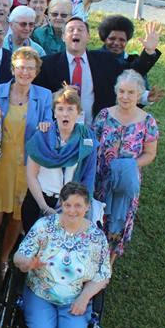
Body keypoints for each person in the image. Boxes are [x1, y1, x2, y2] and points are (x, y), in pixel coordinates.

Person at [13, 182, 111, 328]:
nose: (72, 210)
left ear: (87, 207)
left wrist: (85, 297)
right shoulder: (45, 226)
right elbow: (20, 256)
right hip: (41, 292)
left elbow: (103, 274)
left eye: (78, 205)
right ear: (61, 205)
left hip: (75, 297)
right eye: (67, 205)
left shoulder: (96, 238)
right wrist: (27, 263)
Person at [0, 48, 52, 280]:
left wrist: (46, 126)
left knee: (17, 217)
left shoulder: (44, 95)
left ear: (36, 71)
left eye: (30, 68)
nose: (25, 72)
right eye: (20, 67)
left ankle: (4, 258)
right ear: (13, 69)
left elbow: (49, 120)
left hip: (28, 165)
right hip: (2, 163)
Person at [36, 17, 159, 124]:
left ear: (88, 37)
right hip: (60, 128)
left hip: (97, 127)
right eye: (71, 30)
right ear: (63, 37)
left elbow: (131, 72)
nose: (76, 32)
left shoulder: (104, 59)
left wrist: (148, 52)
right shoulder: (47, 64)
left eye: (80, 29)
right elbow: (35, 95)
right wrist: (56, 96)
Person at [92, 70, 159, 261]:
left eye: (131, 92)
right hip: (100, 180)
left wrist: (128, 165)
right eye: (121, 91)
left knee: (117, 226)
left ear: (139, 94)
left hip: (126, 185)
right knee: (96, 219)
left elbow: (150, 154)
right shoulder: (104, 115)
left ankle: (106, 271)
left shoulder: (148, 122)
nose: (125, 96)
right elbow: (92, 143)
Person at [24, 86, 98, 233]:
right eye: (60, 109)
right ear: (54, 112)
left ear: (78, 113)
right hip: (39, 201)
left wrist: (80, 207)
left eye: (70, 109)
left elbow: (89, 176)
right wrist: (45, 208)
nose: (65, 114)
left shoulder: (86, 138)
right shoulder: (42, 136)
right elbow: (31, 175)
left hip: (70, 206)